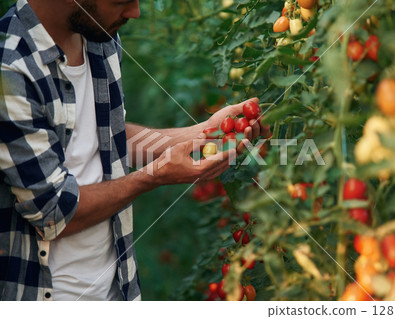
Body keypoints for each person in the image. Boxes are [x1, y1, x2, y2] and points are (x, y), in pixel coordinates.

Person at [0, 0, 270, 301]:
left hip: (119, 289)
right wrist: (153, 176)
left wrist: (205, 133)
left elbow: (106, 136)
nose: (135, 12)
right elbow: (52, 212)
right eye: (122, 1)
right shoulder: (9, 68)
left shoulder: (100, 33)